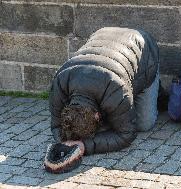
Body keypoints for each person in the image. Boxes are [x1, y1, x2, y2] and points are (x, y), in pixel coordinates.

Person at [49, 27, 160, 156]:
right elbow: (56, 126)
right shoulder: (59, 85)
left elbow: (126, 135)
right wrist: (65, 142)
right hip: (103, 38)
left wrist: (85, 146)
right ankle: (120, 111)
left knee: (144, 124)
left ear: (97, 115)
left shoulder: (116, 90)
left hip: (144, 51)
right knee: (116, 119)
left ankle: (157, 91)